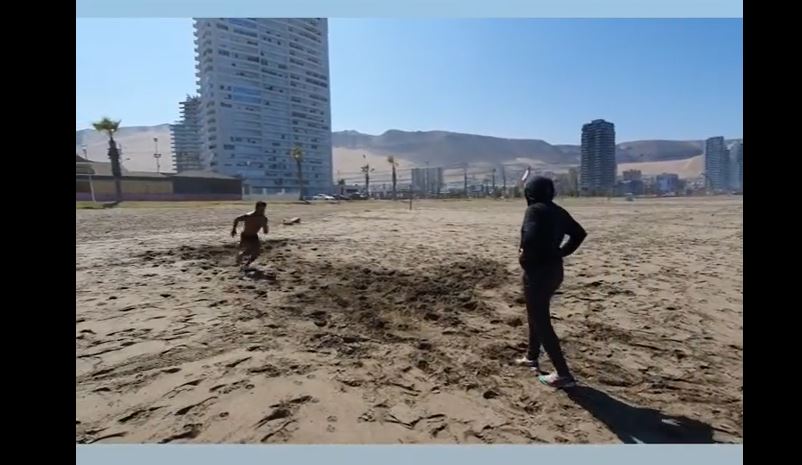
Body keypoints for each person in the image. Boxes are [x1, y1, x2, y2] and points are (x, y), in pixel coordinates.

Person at [515, 176, 587, 388]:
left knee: (541, 320)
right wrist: (560, 253)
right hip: (555, 271)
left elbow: (529, 238)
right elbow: (579, 234)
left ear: (529, 194)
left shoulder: (534, 210)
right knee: (535, 313)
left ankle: (563, 374)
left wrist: (524, 256)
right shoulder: (557, 211)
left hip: (538, 273)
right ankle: (531, 356)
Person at [231, 201, 269, 269]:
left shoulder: (263, 218)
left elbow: (265, 231)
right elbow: (237, 219)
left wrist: (265, 228)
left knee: (257, 253)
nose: (262, 211)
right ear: (256, 208)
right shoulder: (248, 216)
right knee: (249, 251)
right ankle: (239, 258)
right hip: (246, 236)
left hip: (254, 236)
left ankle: (246, 265)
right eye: (261, 209)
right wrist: (234, 229)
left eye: (263, 209)